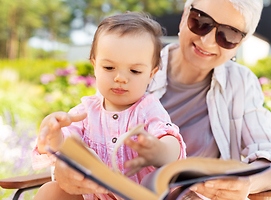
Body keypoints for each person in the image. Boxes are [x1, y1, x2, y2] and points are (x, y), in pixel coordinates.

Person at [52, 0, 271, 200]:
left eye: (228, 35)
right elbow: (89, 134)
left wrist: (248, 183)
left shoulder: (240, 83)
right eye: (201, 21)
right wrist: (65, 168)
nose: (208, 42)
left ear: (239, 44)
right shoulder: (136, 65)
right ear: (184, 16)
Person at [31, 12, 186, 200]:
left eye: (135, 71)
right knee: (51, 191)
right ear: (95, 66)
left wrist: (159, 150)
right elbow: (65, 146)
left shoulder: (147, 109)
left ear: (151, 74)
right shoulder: (86, 111)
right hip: (95, 196)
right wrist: (53, 133)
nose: (120, 78)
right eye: (109, 68)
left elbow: (171, 141)